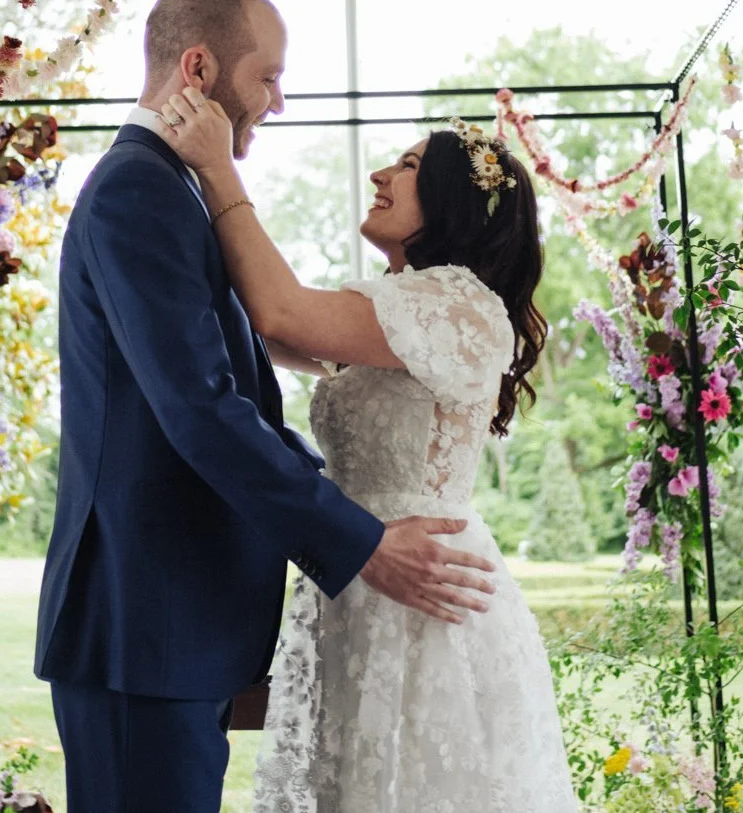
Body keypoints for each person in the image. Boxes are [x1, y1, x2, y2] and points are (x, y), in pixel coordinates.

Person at [35, 0, 498, 813]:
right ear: (201, 69)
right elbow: (203, 410)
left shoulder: (172, 189)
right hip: (146, 625)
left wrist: (347, 519)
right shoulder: (142, 188)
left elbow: (238, 387)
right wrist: (359, 541)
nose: (279, 102)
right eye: (269, 77)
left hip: (174, 626)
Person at [157, 81, 578, 811]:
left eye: (408, 166)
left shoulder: (457, 305)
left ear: (450, 201)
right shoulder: (393, 306)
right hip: (361, 578)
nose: (382, 175)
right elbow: (275, 331)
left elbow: (279, 308)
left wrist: (220, 169)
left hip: (423, 598)